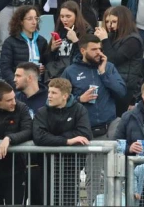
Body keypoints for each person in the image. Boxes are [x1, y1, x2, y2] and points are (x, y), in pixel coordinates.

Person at [32, 77, 93, 205]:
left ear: (65, 96)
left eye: (54, 93)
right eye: (49, 92)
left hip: (70, 168)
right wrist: (67, 141)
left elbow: (85, 133)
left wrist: (53, 137)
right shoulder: (42, 112)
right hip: (46, 168)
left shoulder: (79, 110)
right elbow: (39, 137)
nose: (49, 96)